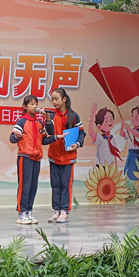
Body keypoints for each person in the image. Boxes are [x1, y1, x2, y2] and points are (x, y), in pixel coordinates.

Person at [10, 95, 61, 225]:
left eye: (36, 104)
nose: (35, 106)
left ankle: (29, 211)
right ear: (25, 107)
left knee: (33, 187)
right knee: (25, 185)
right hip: (25, 158)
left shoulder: (39, 122)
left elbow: (45, 138)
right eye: (32, 104)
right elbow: (12, 138)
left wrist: (56, 136)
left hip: (36, 159)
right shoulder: (22, 122)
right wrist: (17, 136)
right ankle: (21, 213)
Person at [47, 88, 86, 223]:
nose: (54, 102)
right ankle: (56, 211)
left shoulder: (74, 116)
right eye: (52, 99)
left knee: (66, 185)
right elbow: (49, 132)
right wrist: (47, 120)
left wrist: (77, 144)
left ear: (64, 99)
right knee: (55, 185)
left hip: (68, 158)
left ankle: (65, 211)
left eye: (56, 99)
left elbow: (81, 133)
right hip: (54, 155)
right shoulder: (52, 115)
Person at [120, 106, 139, 180]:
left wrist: (128, 129)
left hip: (137, 155)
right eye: (132, 115)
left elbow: (138, 135)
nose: (133, 118)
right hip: (130, 154)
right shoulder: (130, 131)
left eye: (136, 116)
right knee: (128, 172)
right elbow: (122, 134)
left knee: (136, 172)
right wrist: (122, 126)